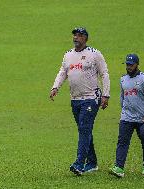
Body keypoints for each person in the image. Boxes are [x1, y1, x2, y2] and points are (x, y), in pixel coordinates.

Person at [50, 27, 110, 176]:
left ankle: (79, 164)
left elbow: (104, 74)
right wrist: (55, 87)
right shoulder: (68, 55)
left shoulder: (95, 54)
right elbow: (63, 72)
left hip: (91, 98)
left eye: (79, 35)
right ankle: (92, 163)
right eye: (74, 35)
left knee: (84, 129)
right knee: (85, 130)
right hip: (75, 99)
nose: (76, 38)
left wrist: (106, 95)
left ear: (86, 39)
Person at [110, 54, 144, 177]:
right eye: (127, 64)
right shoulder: (123, 79)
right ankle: (119, 167)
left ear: (137, 64)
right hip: (127, 117)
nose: (129, 67)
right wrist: (124, 111)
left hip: (142, 118)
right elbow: (122, 97)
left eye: (131, 64)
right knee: (122, 142)